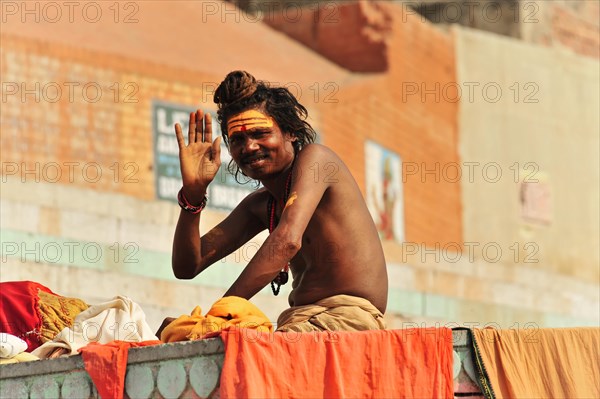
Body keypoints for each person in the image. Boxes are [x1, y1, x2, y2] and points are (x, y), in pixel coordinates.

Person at [169, 70, 388, 333]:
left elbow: (287, 240)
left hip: (348, 319)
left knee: (225, 345)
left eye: (261, 133)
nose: (249, 147)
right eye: (238, 139)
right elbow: (187, 266)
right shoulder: (260, 205)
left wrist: (220, 315)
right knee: (175, 332)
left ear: (291, 133)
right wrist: (193, 194)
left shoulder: (316, 159)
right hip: (298, 322)